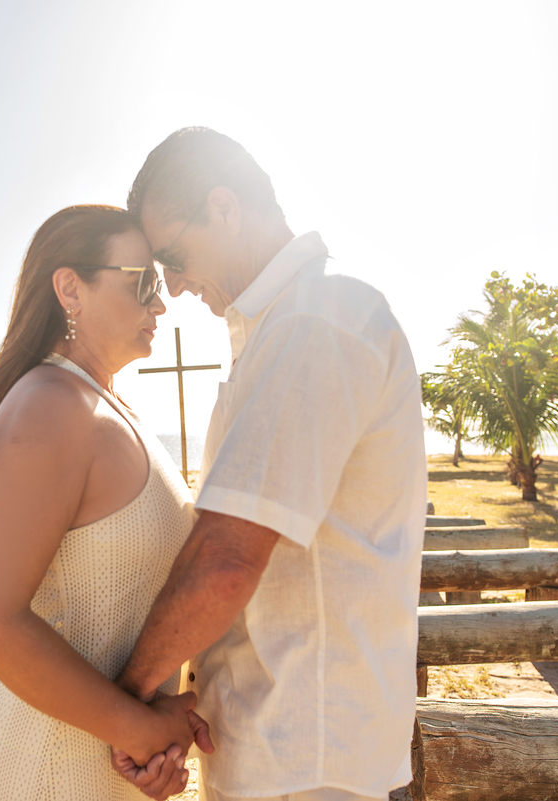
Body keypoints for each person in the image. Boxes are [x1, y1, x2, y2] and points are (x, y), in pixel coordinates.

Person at [111, 128, 428, 801]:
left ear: (224, 207)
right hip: (286, 745)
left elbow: (225, 557)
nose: (170, 284)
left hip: (309, 753)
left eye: (173, 254)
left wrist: (127, 699)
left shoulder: (315, 321)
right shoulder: (284, 329)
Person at [0, 204, 213, 801]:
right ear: (71, 288)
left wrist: (154, 730)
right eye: (141, 281)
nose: (161, 303)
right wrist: (142, 728)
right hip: (39, 766)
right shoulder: (49, 405)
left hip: (103, 761)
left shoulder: (106, 406)